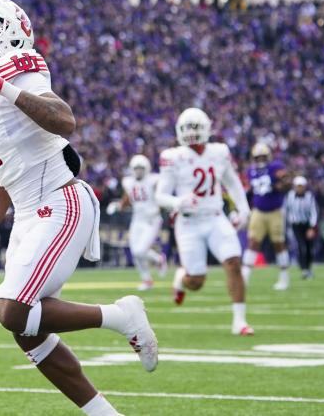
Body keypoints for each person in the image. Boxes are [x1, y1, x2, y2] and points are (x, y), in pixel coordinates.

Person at [0, 0, 157, 416]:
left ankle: (120, 315)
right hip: (28, 213)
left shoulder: (17, 66)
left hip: (61, 201)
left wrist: (0, 86)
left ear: (11, 33)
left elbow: (64, 120)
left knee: (13, 310)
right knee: (28, 329)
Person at [155, 108, 254, 336]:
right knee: (196, 282)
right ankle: (181, 278)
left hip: (215, 217)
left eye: (195, 127)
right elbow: (161, 196)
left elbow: (232, 182)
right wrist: (179, 201)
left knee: (233, 262)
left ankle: (239, 321)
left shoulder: (219, 152)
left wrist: (244, 209)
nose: (191, 133)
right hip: (189, 224)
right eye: (187, 128)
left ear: (207, 128)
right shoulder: (173, 157)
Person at [107, 155, 167, 291]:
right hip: (137, 219)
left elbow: (162, 194)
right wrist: (118, 206)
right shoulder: (128, 182)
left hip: (152, 219)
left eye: (141, 168)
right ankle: (147, 280)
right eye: (136, 169)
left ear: (147, 169)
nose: (139, 171)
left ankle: (158, 259)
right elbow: (128, 199)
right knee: (135, 252)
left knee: (140, 251)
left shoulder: (154, 180)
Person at [241, 143, 291, 291]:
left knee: (278, 244)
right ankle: (244, 276)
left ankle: (284, 276)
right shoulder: (250, 171)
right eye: (258, 157)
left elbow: (285, 181)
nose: (261, 160)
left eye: (263, 157)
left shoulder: (275, 167)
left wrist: (282, 183)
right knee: (252, 242)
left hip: (275, 210)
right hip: (258, 210)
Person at [284, 176, 318, 279]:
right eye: (298, 186)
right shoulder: (289, 196)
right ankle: (304, 269)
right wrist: (287, 224)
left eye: (301, 186)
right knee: (301, 246)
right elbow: (286, 210)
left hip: (307, 225)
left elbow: (314, 212)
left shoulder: (309, 196)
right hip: (295, 225)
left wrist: (312, 227)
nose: (299, 188)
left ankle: (308, 268)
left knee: (309, 248)